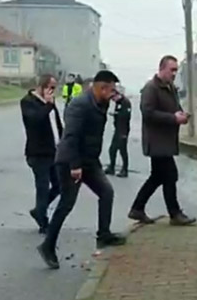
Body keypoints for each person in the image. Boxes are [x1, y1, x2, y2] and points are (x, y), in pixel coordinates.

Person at [38, 70, 126, 270]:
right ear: (101, 88)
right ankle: (47, 246)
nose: (113, 94)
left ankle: (104, 234)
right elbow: (71, 136)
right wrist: (75, 165)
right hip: (71, 161)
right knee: (66, 204)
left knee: (106, 192)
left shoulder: (102, 103)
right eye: (111, 90)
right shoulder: (79, 104)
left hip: (90, 161)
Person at [129, 56, 196, 226]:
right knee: (170, 175)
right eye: (171, 70)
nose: (174, 73)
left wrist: (181, 115)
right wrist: (173, 118)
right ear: (162, 68)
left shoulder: (170, 87)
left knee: (158, 176)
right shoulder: (151, 88)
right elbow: (148, 113)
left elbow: (174, 108)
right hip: (157, 141)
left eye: (176, 70)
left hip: (166, 140)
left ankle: (137, 208)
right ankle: (175, 213)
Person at [20, 73, 64, 233]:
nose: (53, 91)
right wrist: (48, 105)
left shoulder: (50, 103)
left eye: (54, 88)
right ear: (41, 86)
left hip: (54, 151)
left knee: (59, 186)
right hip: (38, 153)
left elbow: (56, 124)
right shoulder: (28, 102)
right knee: (43, 187)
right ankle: (43, 221)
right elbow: (35, 120)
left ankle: (39, 210)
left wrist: (64, 141)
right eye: (50, 87)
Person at [106, 87, 131, 178]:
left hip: (123, 130)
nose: (113, 100)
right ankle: (111, 167)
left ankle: (125, 169)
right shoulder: (118, 102)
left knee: (122, 150)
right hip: (117, 129)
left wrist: (116, 114)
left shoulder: (125, 103)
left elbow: (125, 117)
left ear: (118, 95)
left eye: (113, 98)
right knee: (112, 149)